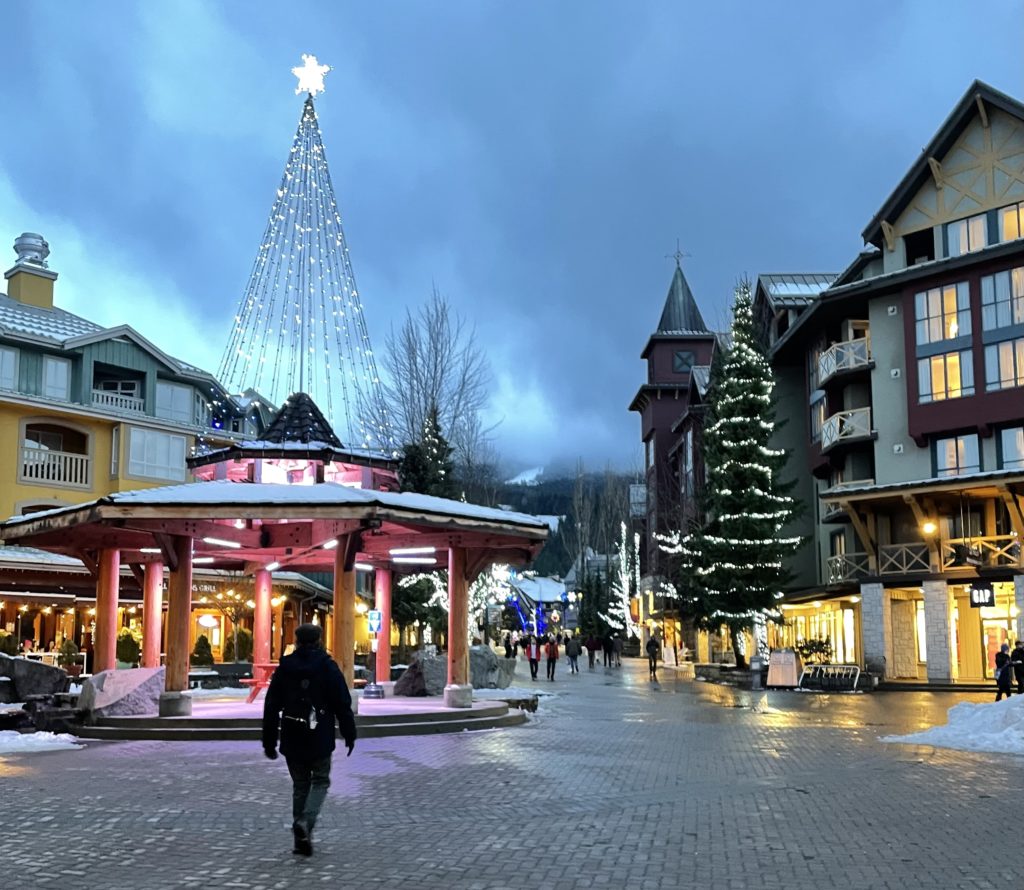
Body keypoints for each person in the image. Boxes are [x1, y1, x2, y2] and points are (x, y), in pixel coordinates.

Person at [262, 623, 356, 857]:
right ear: (320, 641)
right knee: (321, 781)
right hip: (319, 734)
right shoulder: (327, 667)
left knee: (300, 784)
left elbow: (271, 706)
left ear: (296, 641)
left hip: (292, 733)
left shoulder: (285, 668)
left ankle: (299, 839)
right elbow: (342, 703)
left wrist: (269, 741)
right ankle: (305, 823)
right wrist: (349, 733)